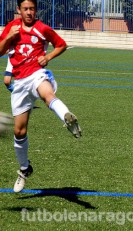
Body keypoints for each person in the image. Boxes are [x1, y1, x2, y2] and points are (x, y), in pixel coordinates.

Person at [0, 0, 82, 193]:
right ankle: (24, 169)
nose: (29, 12)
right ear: (19, 10)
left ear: (36, 10)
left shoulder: (42, 28)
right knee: (19, 132)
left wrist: (48, 57)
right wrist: (8, 37)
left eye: (32, 9)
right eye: (25, 9)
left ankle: (67, 117)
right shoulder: (12, 28)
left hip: (36, 74)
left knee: (47, 94)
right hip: (19, 83)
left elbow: (61, 45)